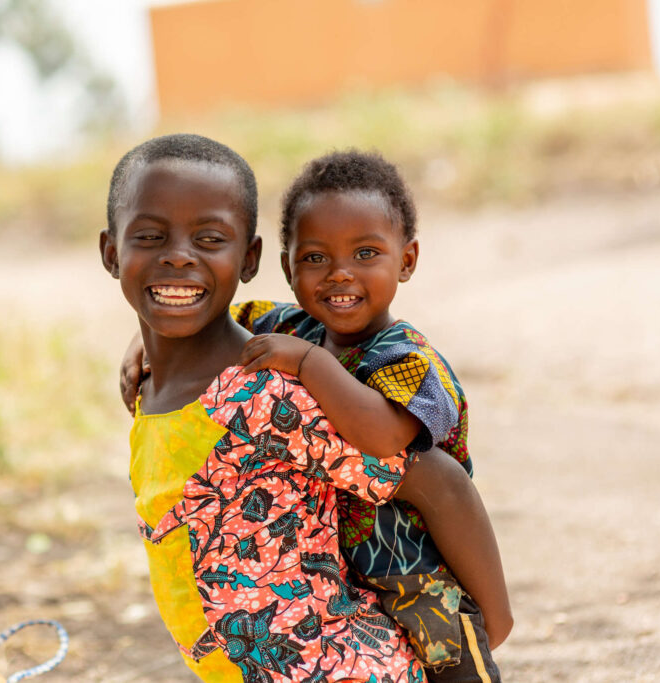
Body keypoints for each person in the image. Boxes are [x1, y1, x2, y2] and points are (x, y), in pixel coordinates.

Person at [102, 133, 500, 682]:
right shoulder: (283, 331)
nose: (177, 254)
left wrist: (495, 614)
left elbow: (434, 474)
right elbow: (216, 307)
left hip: (390, 606)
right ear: (110, 252)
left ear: (249, 258)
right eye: (149, 236)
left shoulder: (280, 390)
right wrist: (144, 341)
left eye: (209, 237)